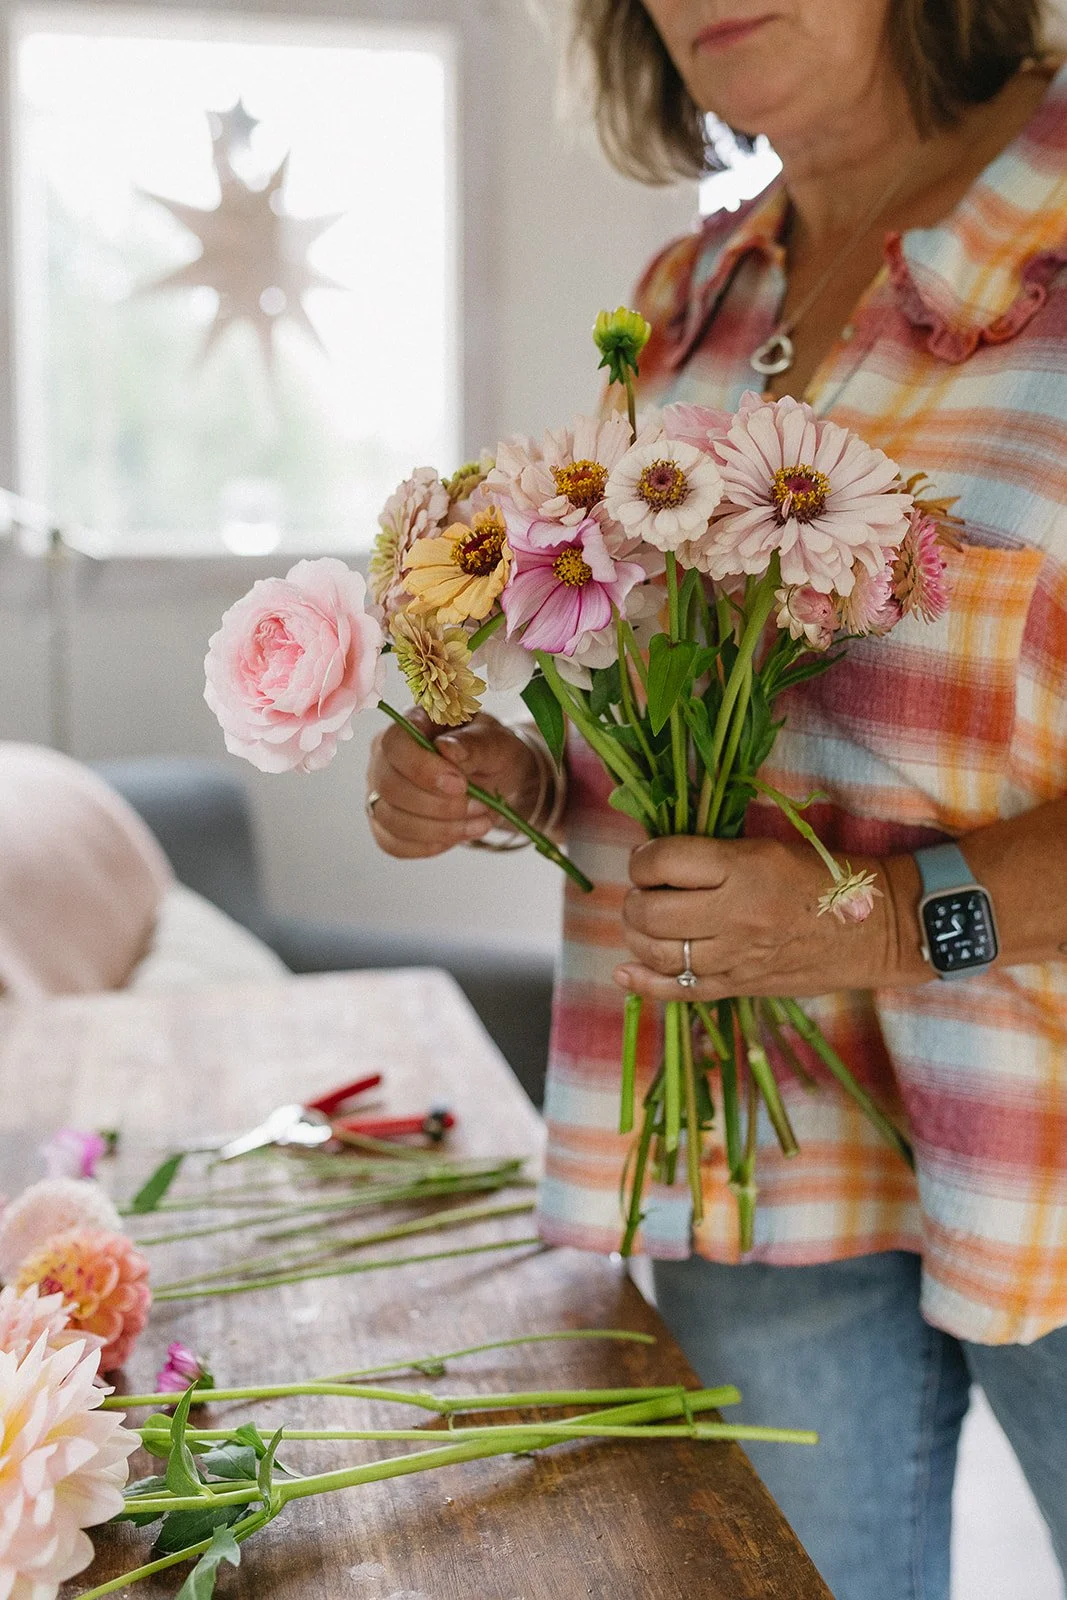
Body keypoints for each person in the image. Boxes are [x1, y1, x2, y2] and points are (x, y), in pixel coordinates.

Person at [365, 3, 1067, 1595]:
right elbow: (681, 711)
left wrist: (883, 918)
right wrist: (520, 779)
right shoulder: (691, 295)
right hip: (749, 1148)